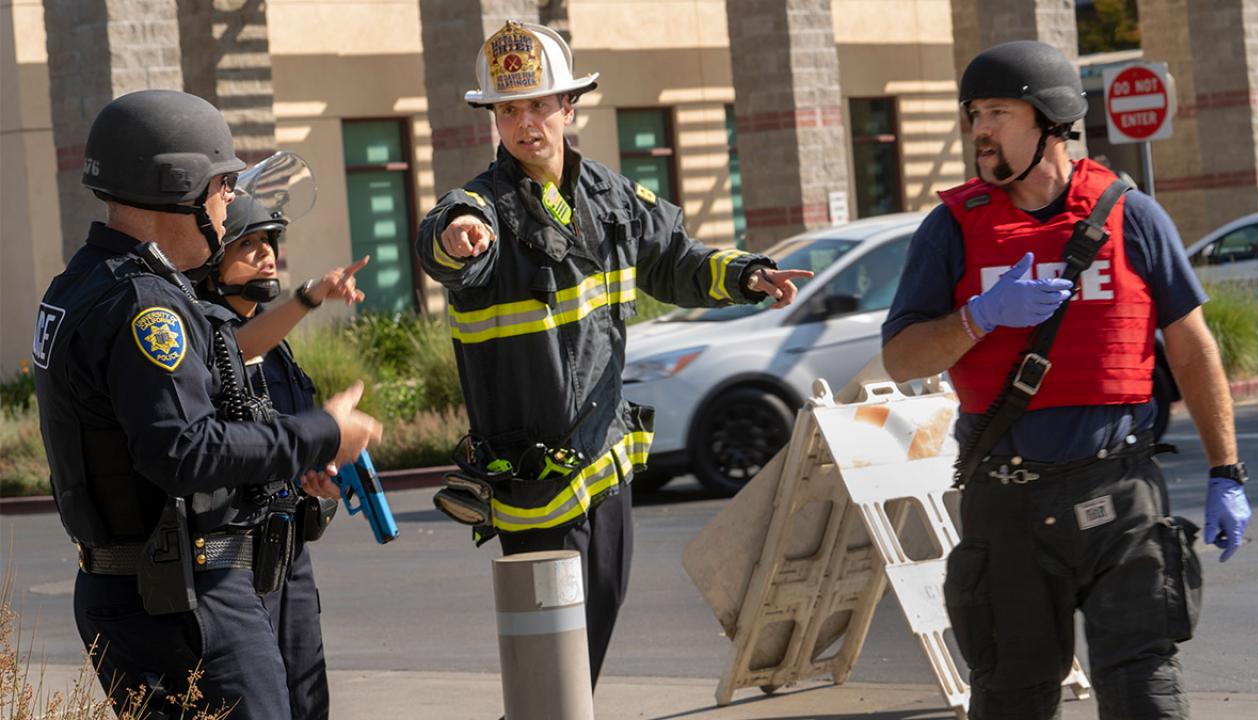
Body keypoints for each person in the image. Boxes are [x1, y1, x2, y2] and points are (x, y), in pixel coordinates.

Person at [417, 20, 810, 689]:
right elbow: (444, 238)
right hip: (535, 484)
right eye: (508, 110)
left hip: (604, 462)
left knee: (597, 620)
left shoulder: (610, 197)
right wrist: (456, 238)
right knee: (552, 657)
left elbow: (677, 260)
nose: (524, 123)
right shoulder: (482, 208)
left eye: (538, 105)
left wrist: (746, 275)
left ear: (568, 107)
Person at [881, 41, 1251, 720]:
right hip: (1007, 502)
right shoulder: (951, 229)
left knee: (1146, 693)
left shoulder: (1132, 215)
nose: (980, 130)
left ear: (1050, 120)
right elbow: (902, 358)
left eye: (997, 113)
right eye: (973, 115)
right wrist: (979, 316)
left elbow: (1192, 346)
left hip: (1121, 491)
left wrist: (1227, 470)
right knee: (1012, 698)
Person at [31, 89, 382, 718]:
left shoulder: (80, 283)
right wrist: (322, 432)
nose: (229, 202)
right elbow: (184, 450)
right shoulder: (145, 304)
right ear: (179, 189)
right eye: (222, 185)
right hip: (183, 600)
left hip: (145, 592)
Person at [195, 192, 369, 720]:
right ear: (212, 260)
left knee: (308, 704)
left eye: (269, 241)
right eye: (246, 243)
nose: (266, 253)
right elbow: (236, 351)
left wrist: (319, 479)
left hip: (288, 554)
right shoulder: (203, 333)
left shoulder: (278, 344)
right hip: (234, 566)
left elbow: (289, 441)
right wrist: (311, 296)